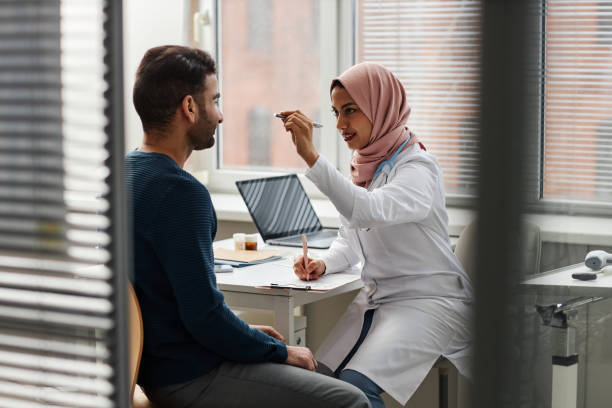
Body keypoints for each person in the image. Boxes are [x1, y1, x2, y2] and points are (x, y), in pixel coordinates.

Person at [125, 45, 370, 408]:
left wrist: (249, 336)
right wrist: (278, 351)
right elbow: (205, 317)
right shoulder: (181, 193)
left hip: (157, 368)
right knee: (352, 401)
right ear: (190, 108)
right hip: (189, 378)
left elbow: (178, 308)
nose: (221, 116)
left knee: (317, 374)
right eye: (216, 100)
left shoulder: (127, 173)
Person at [280, 62, 474, 408]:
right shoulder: (364, 167)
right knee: (318, 386)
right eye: (336, 112)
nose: (340, 124)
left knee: (354, 393)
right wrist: (322, 263)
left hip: (427, 302)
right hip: (380, 303)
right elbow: (351, 242)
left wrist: (310, 154)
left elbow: (367, 210)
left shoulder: (417, 169)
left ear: (381, 108)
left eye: (351, 111)